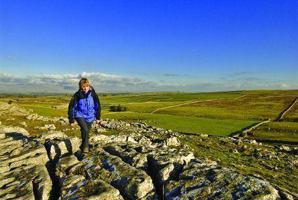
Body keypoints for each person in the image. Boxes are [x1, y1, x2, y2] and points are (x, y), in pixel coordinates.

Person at [68, 78, 101, 153]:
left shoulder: (93, 94)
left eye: (87, 86)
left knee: (86, 132)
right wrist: (71, 119)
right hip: (79, 115)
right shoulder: (77, 95)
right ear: (80, 87)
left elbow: (97, 105)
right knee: (85, 129)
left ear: (89, 86)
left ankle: (83, 145)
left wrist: (98, 117)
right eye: (83, 86)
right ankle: (85, 149)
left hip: (90, 116)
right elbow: (71, 107)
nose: (85, 88)